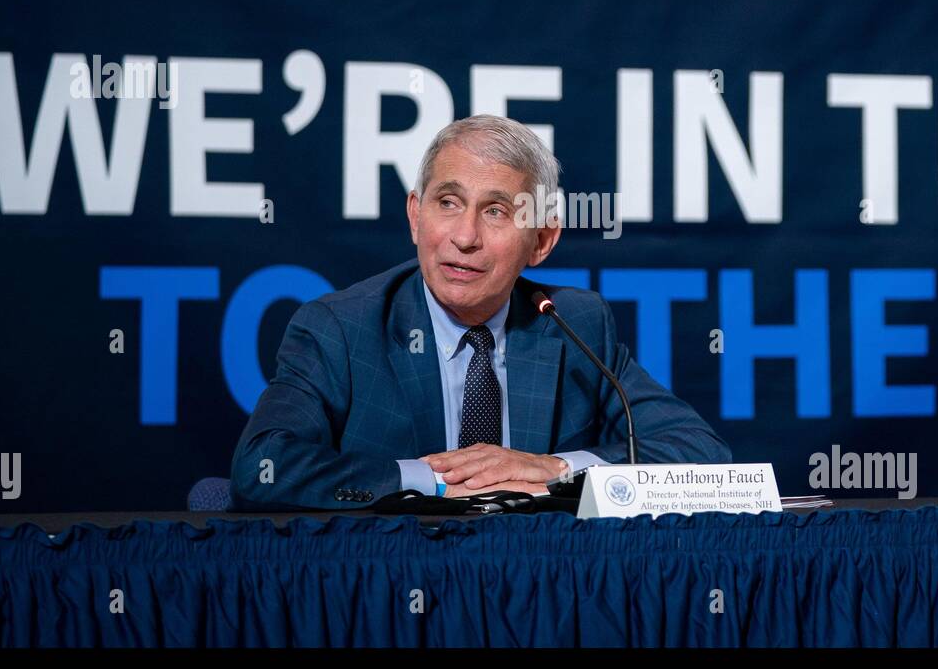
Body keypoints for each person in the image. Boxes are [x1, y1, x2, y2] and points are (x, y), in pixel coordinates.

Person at [230, 114, 731, 509]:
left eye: (496, 212)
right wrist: (433, 478)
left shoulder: (572, 322)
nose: (464, 237)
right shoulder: (341, 329)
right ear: (414, 215)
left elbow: (700, 456)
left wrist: (555, 468)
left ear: (541, 240)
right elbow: (263, 467)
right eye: (447, 202)